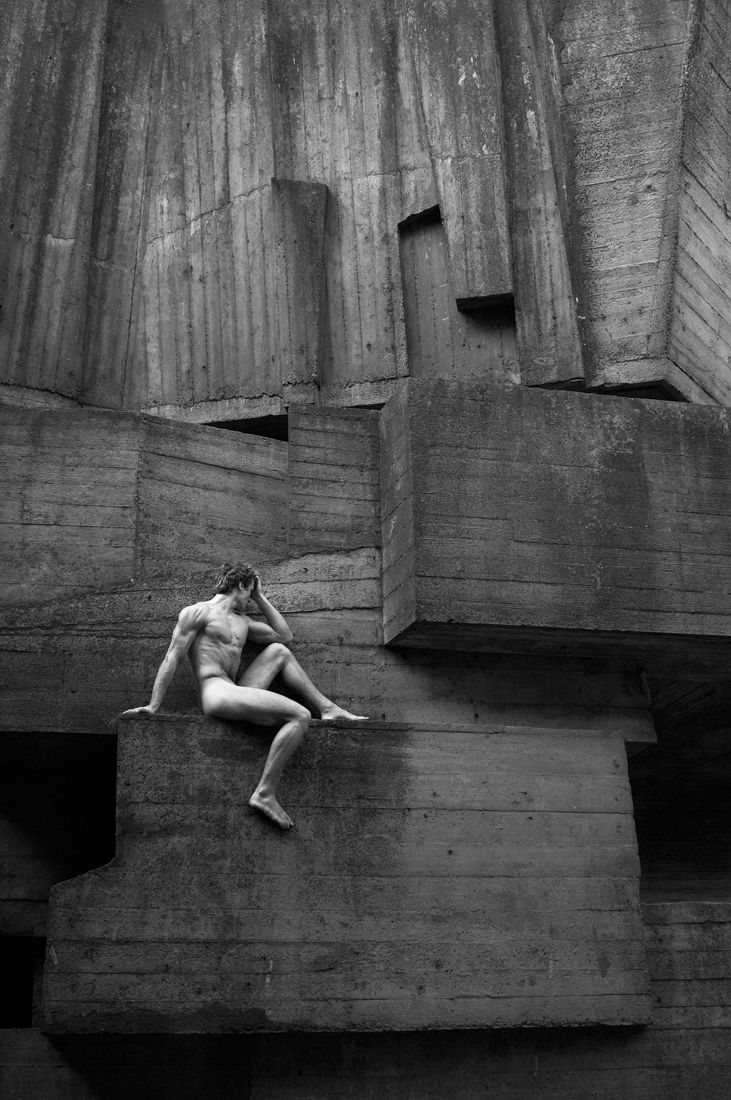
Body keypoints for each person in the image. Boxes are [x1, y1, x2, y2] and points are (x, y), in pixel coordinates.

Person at [123, 562, 367, 829]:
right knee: (300, 715)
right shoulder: (197, 612)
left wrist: (261, 597)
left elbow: (284, 635)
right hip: (216, 691)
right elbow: (173, 657)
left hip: (236, 688)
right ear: (241, 585)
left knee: (279, 652)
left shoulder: (243, 621)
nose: (251, 600)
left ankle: (328, 708)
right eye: (251, 592)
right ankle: (264, 793)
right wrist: (154, 705)